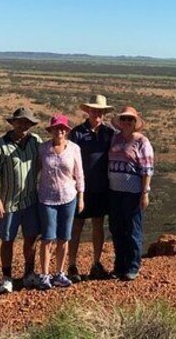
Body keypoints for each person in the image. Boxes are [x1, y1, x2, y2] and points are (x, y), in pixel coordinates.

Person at [0, 107, 42, 293]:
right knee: (8, 240)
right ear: (13, 123)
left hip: (31, 200)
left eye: (27, 122)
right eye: (20, 121)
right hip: (9, 202)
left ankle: (29, 273)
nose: (23, 125)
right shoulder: (1, 144)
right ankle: (7, 277)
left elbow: (46, 164)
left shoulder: (36, 142)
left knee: (31, 238)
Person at [67, 94, 117, 282]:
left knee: (98, 224)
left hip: (102, 187)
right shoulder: (78, 133)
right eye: (94, 110)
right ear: (88, 111)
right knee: (77, 225)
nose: (97, 114)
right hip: (81, 188)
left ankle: (96, 263)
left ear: (104, 113)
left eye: (100, 111)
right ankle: (72, 265)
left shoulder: (109, 133)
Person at [36, 114, 85, 290]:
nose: (60, 131)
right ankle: (44, 275)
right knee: (48, 238)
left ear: (67, 130)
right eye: (57, 128)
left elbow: (79, 174)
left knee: (64, 237)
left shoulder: (74, 149)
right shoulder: (42, 148)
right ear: (51, 130)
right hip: (47, 198)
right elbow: (35, 170)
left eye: (63, 128)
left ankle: (59, 273)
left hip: (68, 197)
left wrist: (81, 197)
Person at [108, 106, 154, 281]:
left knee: (133, 230)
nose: (127, 122)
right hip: (114, 192)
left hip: (133, 193)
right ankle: (119, 266)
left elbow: (147, 169)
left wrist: (145, 193)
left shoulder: (142, 141)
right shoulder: (115, 138)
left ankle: (133, 266)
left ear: (136, 122)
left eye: (131, 119)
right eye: (124, 119)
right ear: (120, 122)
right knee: (117, 229)